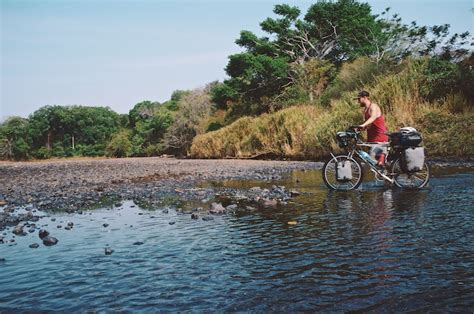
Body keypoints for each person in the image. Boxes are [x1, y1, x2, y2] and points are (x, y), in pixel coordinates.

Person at [353, 90, 388, 167]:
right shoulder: (365, 110)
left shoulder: (373, 106)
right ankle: (386, 175)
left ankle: (389, 175)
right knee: (374, 164)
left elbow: (373, 117)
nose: (358, 101)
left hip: (380, 138)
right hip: (372, 139)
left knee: (377, 164)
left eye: (359, 99)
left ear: (365, 97)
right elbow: (368, 124)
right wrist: (359, 128)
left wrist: (363, 124)